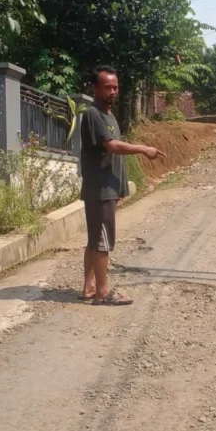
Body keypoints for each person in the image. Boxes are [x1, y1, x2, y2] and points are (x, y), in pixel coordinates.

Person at [79, 65, 164, 306]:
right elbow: (112, 146)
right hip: (101, 190)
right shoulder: (93, 114)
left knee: (95, 239)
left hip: (105, 189)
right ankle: (103, 292)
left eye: (116, 87)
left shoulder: (108, 115)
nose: (114, 91)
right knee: (103, 242)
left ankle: (89, 287)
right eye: (108, 87)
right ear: (95, 88)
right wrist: (144, 148)